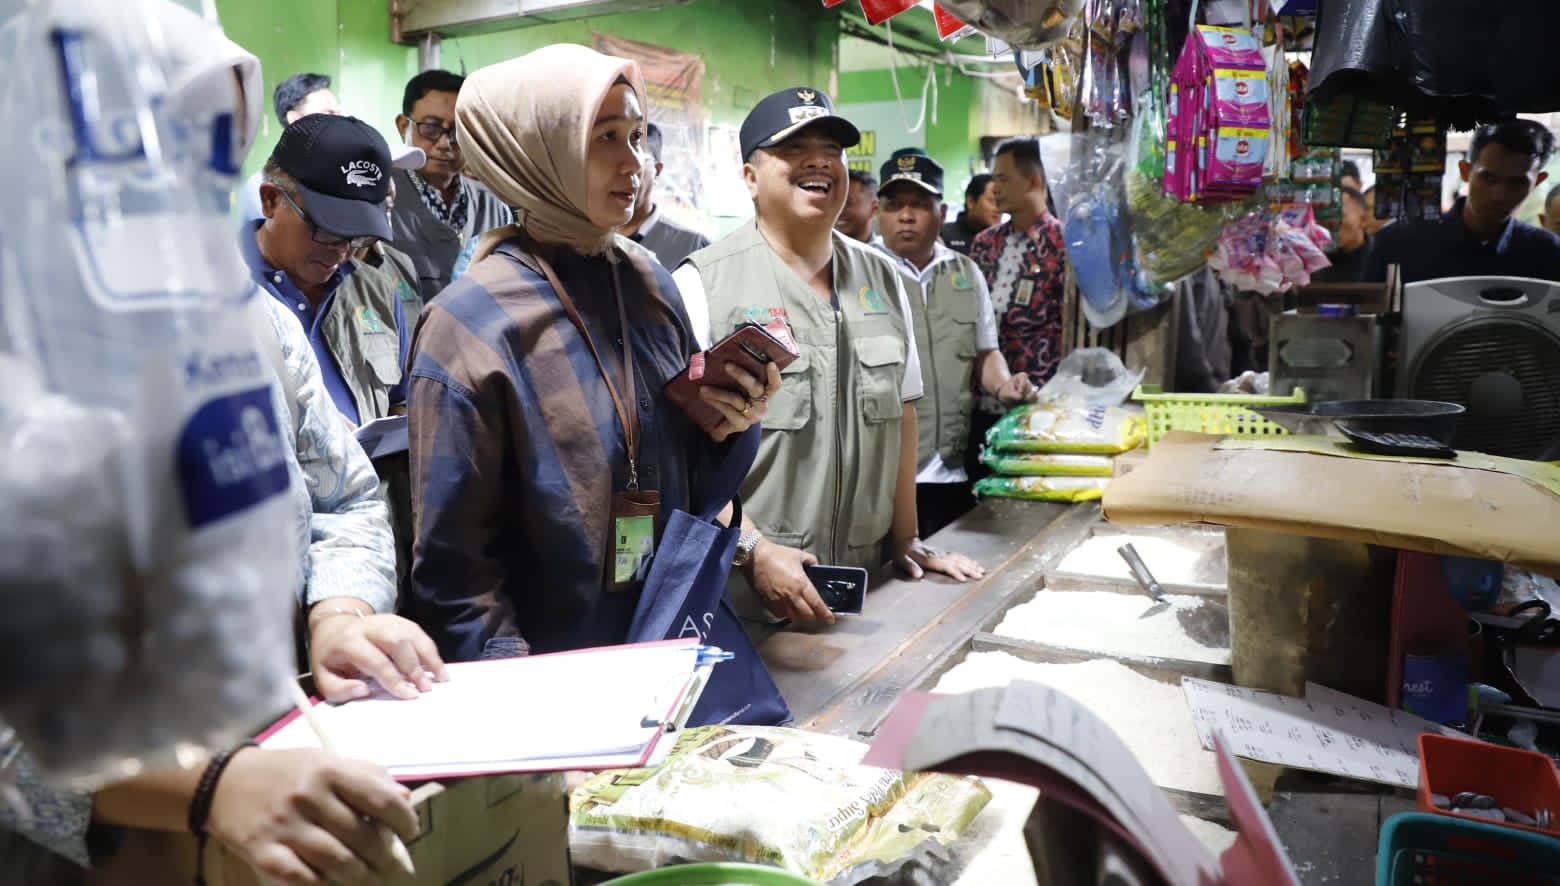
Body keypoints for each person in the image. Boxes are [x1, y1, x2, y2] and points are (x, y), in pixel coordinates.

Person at [406, 44, 774, 663]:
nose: (635, 163)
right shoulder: (469, 328)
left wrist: (731, 424)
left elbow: (692, 490)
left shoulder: (650, 285)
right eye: (606, 137)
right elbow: (456, 579)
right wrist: (534, 731)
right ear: (535, 150)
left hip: (667, 650)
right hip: (550, 683)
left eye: (636, 136)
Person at [673, 86, 985, 627]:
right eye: (794, 148)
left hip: (864, 592)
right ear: (750, 177)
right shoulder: (701, 285)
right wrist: (752, 551)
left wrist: (907, 539)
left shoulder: (884, 279)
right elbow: (672, 458)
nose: (819, 161)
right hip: (748, 601)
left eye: (831, 149)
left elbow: (902, 416)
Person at [874, 152, 1035, 536]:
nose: (907, 216)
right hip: (882, 480)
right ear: (878, 213)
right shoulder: (859, 274)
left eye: (919, 205)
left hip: (953, 470)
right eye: (895, 206)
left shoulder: (964, 271)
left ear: (942, 211)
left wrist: (1003, 385)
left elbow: (985, 351)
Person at [246, 115, 411, 428]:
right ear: (270, 200)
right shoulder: (216, 296)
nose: (343, 249)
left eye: (359, 234)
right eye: (327, 228)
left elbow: (400, 400)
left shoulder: (376, 292)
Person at [1361, 119, 1560, 284]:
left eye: (1517, 183)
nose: (1499, 194)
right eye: (1489, 179)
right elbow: (1369, 323)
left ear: (1537, 182)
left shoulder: (1547, 254)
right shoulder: (1396, 243)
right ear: (1465, 171)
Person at [391, 69, 515, 305]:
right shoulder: (382, 199)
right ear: (402, 126)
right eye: (430, 128)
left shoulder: (494, 204)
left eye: (458, 131)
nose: (444, 143)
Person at [970, 137, 1068, 388]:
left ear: (1033, 182)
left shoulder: (1062, 243)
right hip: (984, 393)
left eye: (1003, 179)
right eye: (993, 179)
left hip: (1039, 394)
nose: (994, 189)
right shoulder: (984, 243)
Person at [234, 72, 344, 223]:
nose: (339, 121)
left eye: (339, 113)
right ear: (294, 118)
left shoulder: (345, 176)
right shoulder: (259, 188)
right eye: (329, 112)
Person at [621, 122, 711, 269]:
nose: (625, 170)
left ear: (657, 170)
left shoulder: (693, 247)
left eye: (639, 160)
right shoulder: (585, 240)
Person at [1311, 186, 1371, 283]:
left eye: (1337, 215)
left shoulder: (1379, 259)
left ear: (1363, 220)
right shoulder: (1311, 263)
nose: (1329, 222)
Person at [941, 173, 998, 255]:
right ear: (970, 201)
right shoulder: (944, 235)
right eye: (991, 201)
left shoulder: (1005, 241)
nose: (997, 209)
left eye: (1000, 202)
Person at [835, 169, 879, 244]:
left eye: (847, 203)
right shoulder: (815, 252)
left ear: (873, 209)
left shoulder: (884, 255)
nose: (838, 211)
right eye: (834, 202)